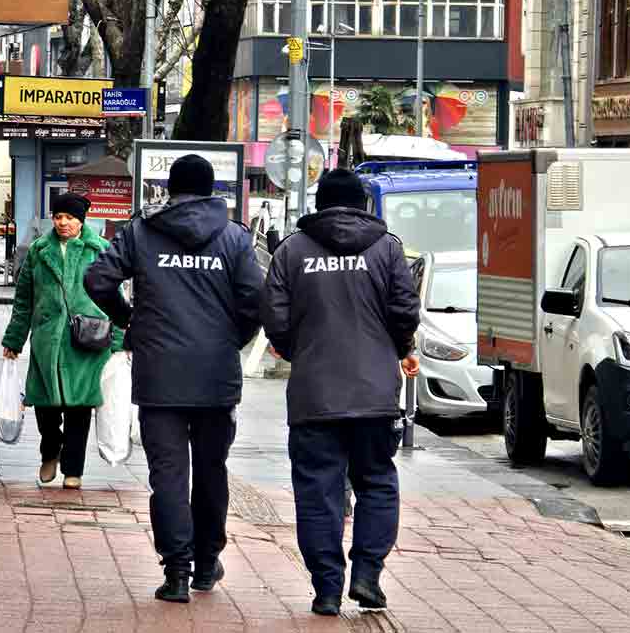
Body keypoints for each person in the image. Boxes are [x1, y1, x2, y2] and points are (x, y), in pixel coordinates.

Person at [84, 154, 262, 604]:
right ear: (210, 189)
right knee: (211, 470)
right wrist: (231, 339)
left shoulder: (142, 231)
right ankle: (207, 562)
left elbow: (97, 279)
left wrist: (130, 320)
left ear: (171, 188)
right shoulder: (234, 238)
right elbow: (255, 302)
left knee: (167, 473)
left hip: (159, 371)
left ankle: (177, 571)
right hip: (215, 375)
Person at [261, 168, 421, 617]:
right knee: (377, 482)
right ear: (362, 204)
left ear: (320, 204)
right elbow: (405, 311)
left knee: (317, 492)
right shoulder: (387, 248)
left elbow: (274, 317)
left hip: (314, 395)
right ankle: (367, 574)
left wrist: (301, 351)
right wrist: (398, 349)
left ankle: (327, 589)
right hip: (374, 394)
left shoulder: (292, 250)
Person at [1, 193, 124, 490]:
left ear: (81, 220)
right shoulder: (39, 250)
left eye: (69, 217)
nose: (63, 223)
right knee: (45, 407)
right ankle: (49, 452)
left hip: (88, 341)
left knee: (79, 409)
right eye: (58, 217)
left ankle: (73, 470)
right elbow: (24, 300)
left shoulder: (100, 250)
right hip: (47, 340)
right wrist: (14, 339)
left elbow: (117, 298)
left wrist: (119, 343)